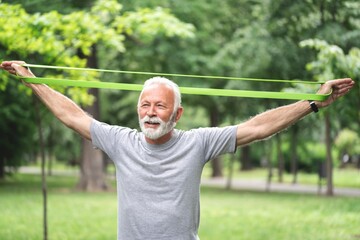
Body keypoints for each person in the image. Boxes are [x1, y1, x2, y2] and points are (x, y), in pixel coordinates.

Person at [0, 60, 355, 240]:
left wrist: (313, 102)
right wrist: (31, 78)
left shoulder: (196, 143)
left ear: (177, 113)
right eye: (145, 105)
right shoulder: (121, 141)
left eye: (160, 106)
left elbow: (256, 128)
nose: (151, 113)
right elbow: (71, 115)